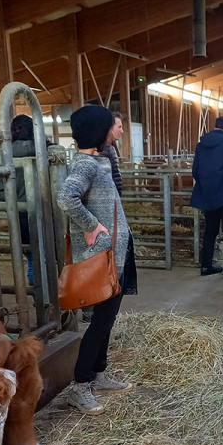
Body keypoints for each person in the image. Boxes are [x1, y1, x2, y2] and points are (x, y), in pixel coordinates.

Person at [57, 105, 138, 415]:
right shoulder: (85, 165)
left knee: (107, 320)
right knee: (100, 322)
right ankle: (79, 386)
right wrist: (92, 225)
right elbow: (66, 197)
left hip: (114, 256)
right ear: (98, 132)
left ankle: (100, 374)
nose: (113, 133)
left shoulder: (97, 161)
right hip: (101, 259)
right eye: (109, 128)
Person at [0, 114, 51, 285]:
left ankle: (36, 287)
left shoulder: (4, 155)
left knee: (31, 253)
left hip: (20, 213)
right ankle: (52, 289)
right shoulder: (47, 151)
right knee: (51, 250)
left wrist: (15, 200)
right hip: (48, 210)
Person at [83, 111, 126, 323]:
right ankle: (93, 304)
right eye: (117, 126)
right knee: (100, 261)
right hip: (103, 215)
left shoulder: (107, 151)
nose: (121, 130)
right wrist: (90, 222)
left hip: (111, 210)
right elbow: (68, 197)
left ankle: (101, 302)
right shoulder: (92, 157)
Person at [191, 116, 223, 278]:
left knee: (210, 231)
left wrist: (207, 186)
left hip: (208, 195)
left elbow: (195, 171)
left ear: (215, 126)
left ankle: (206, 265)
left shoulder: (201, 145)